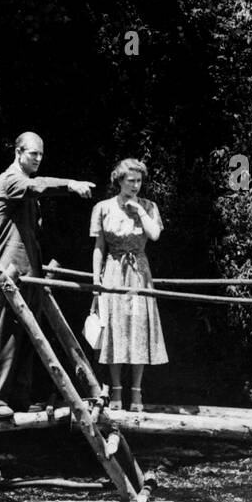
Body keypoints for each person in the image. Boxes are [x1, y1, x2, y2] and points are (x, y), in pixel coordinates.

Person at [0, 132, 94, 419]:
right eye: (33, 154)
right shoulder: (11, 180)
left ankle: (20, 396)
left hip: (31, 268)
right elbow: (37, 188)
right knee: (7, 333)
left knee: (29, 333)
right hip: (12, 271)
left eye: (41, 155)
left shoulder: (24, 184)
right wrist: (69, 185)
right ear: (18, 152)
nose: (38, 159)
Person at [89, 159, 168, 411]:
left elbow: (154, 235)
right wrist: (95, 280)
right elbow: (99, 247)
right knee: (115, 328)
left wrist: (140, 211)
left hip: (139, 274)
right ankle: (115, 391)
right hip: (113, 271)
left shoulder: (148, 206)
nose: (135, 185)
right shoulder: (103, 207)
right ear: (119, 181)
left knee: (138, 328)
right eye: (130, 181)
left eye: (139, 181)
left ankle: (136, 393)